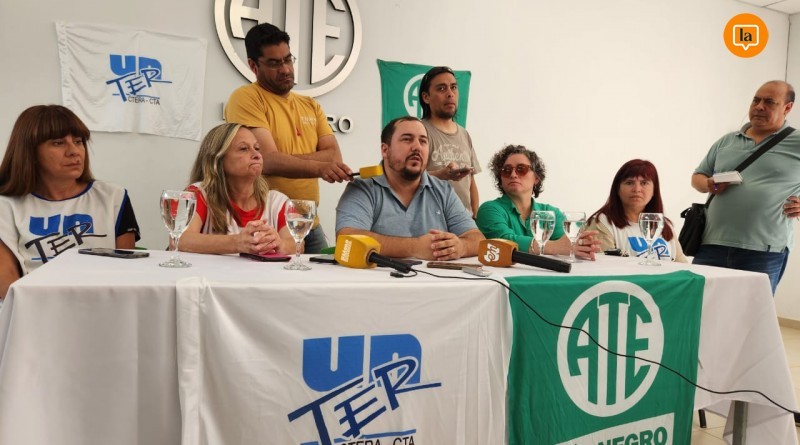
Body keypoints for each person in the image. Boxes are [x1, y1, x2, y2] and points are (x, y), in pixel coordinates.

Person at [224, 22, 353, 253]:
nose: (285, 69)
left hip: (308, 222)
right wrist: (320, 166)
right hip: (267, 224)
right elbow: (267, 160)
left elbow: (334, 157)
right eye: (274, 63)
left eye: (287, 59)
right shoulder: (246, 98)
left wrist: (285, 159)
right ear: (253, 66)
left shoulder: (311, 105)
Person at [0, 105, 140, 298]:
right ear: (30, 151)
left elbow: (126, 273)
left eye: (78, 141)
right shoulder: (6, 204)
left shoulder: (113, 197)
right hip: (34, 306)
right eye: (58, 143)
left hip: (103, 304)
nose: (74, 151)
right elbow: (6, 280)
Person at [691, 80, 800, 294]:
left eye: (769, 102)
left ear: (787, 107)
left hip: (765, 250)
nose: (759, 106)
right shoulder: (727, 141)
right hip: (712, 244)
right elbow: (698, 177)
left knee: (752, 312)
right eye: (756, 100)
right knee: (701, 307)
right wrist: (708, 183)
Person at [336, 116, 483, 260]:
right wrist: (414, 247)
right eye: (407, 139)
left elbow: (478, 240)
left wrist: (460, 247)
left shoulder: (443, 190)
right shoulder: (363, 188)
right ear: (385, 150)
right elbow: (347, 238)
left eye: (423, 141)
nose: (417, 147)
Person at [179, 123, 295, 256]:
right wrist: (237, 243)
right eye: (244, 149)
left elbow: (296, 243)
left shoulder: (277, 201)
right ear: (218, 160)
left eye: (257, 148)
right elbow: (180, 239)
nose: (257, 154)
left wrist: (278, 244)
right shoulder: (198, 194)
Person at [476, 144, 599, 259]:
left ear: (536, 178)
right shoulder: (489, 209)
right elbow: (503, 241)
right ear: (500, 179)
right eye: (506, 170)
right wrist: (555, 247)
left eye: (521, 169)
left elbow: (565, 244)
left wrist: (582, 246)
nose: (513, 174)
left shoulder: (551, 213)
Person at [586, 159, 686, 262]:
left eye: (644, 183)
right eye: (629, 183)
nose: (637, 189)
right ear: (617, 189)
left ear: (654, 190)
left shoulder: (663, 224)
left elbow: (682, 265)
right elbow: (605, 265)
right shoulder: (602, 223)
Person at [419, 66, 481, 217]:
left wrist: (475, 217)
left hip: (464, 222)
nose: (450, 94)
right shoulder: (419, 131)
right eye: (441, 88)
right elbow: (406, 179)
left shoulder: (464, 134)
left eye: (453, 87)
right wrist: (442, 174)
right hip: (430, 220)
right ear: (426, 97)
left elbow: (471, 182)